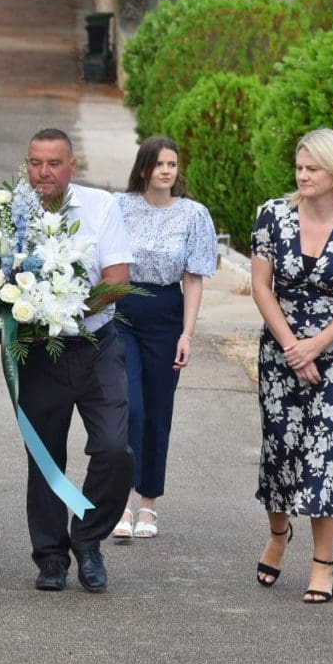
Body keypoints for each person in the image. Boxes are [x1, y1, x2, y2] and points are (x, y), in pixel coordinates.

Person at [250, 128, 333, 604]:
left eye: (313, 169)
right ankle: (278, 535)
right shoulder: (272, 216)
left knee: (326, 455)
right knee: (280, 450)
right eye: (299, 167)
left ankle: (324, 565)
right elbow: (261, 287)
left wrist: (318, 345)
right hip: (281, 349)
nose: (303, 176)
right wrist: (293, 347)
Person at [24, 128, 135, 594]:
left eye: (54, 163)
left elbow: (118, 279)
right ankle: (51, 557)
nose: (44, 172)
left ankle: (88, 540)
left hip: (96, 346)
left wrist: (63, 309)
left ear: (72, 166)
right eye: (35, 163)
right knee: (45, 456)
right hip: (38, 351)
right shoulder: (11, 213)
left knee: (114, 449)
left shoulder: (101, 206)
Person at [110, 136, 217, 540]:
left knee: (158, 412)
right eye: (159, 164)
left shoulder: (193, 215)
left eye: (172, 164)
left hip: (167, 314)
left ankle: (148, 504)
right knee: (130, 408)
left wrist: (187, 334)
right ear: (143, 169)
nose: (167, 171)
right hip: (123, 311)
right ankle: (120, 501)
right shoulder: (120, 207)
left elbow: (193, 279)